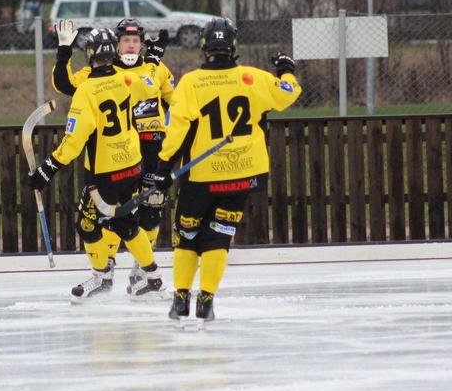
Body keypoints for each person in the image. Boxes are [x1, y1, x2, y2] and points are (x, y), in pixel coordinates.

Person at [145, 17, 301, 321]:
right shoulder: (254, 78)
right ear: (233, 45)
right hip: (242, 175)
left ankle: (181, 299)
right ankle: (206, 300)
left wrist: (163, 167)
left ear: (204, 46)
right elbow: (288, 92)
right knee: (219, 236)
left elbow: (177, 130)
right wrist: (286, 70)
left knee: (187, 236)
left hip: (202, 176)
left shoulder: (191, 82)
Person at [29, 27, 165, 301]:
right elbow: (149, 86)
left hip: (105, 174)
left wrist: (47, 169)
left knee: (87, 225)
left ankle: (101, 277)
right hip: (132, 165)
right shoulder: (126, 79)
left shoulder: (87, 91)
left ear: (90, 53)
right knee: (126, 223)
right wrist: (152, 60)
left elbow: (74, 140)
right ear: (114, 50)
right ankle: (153, 278)